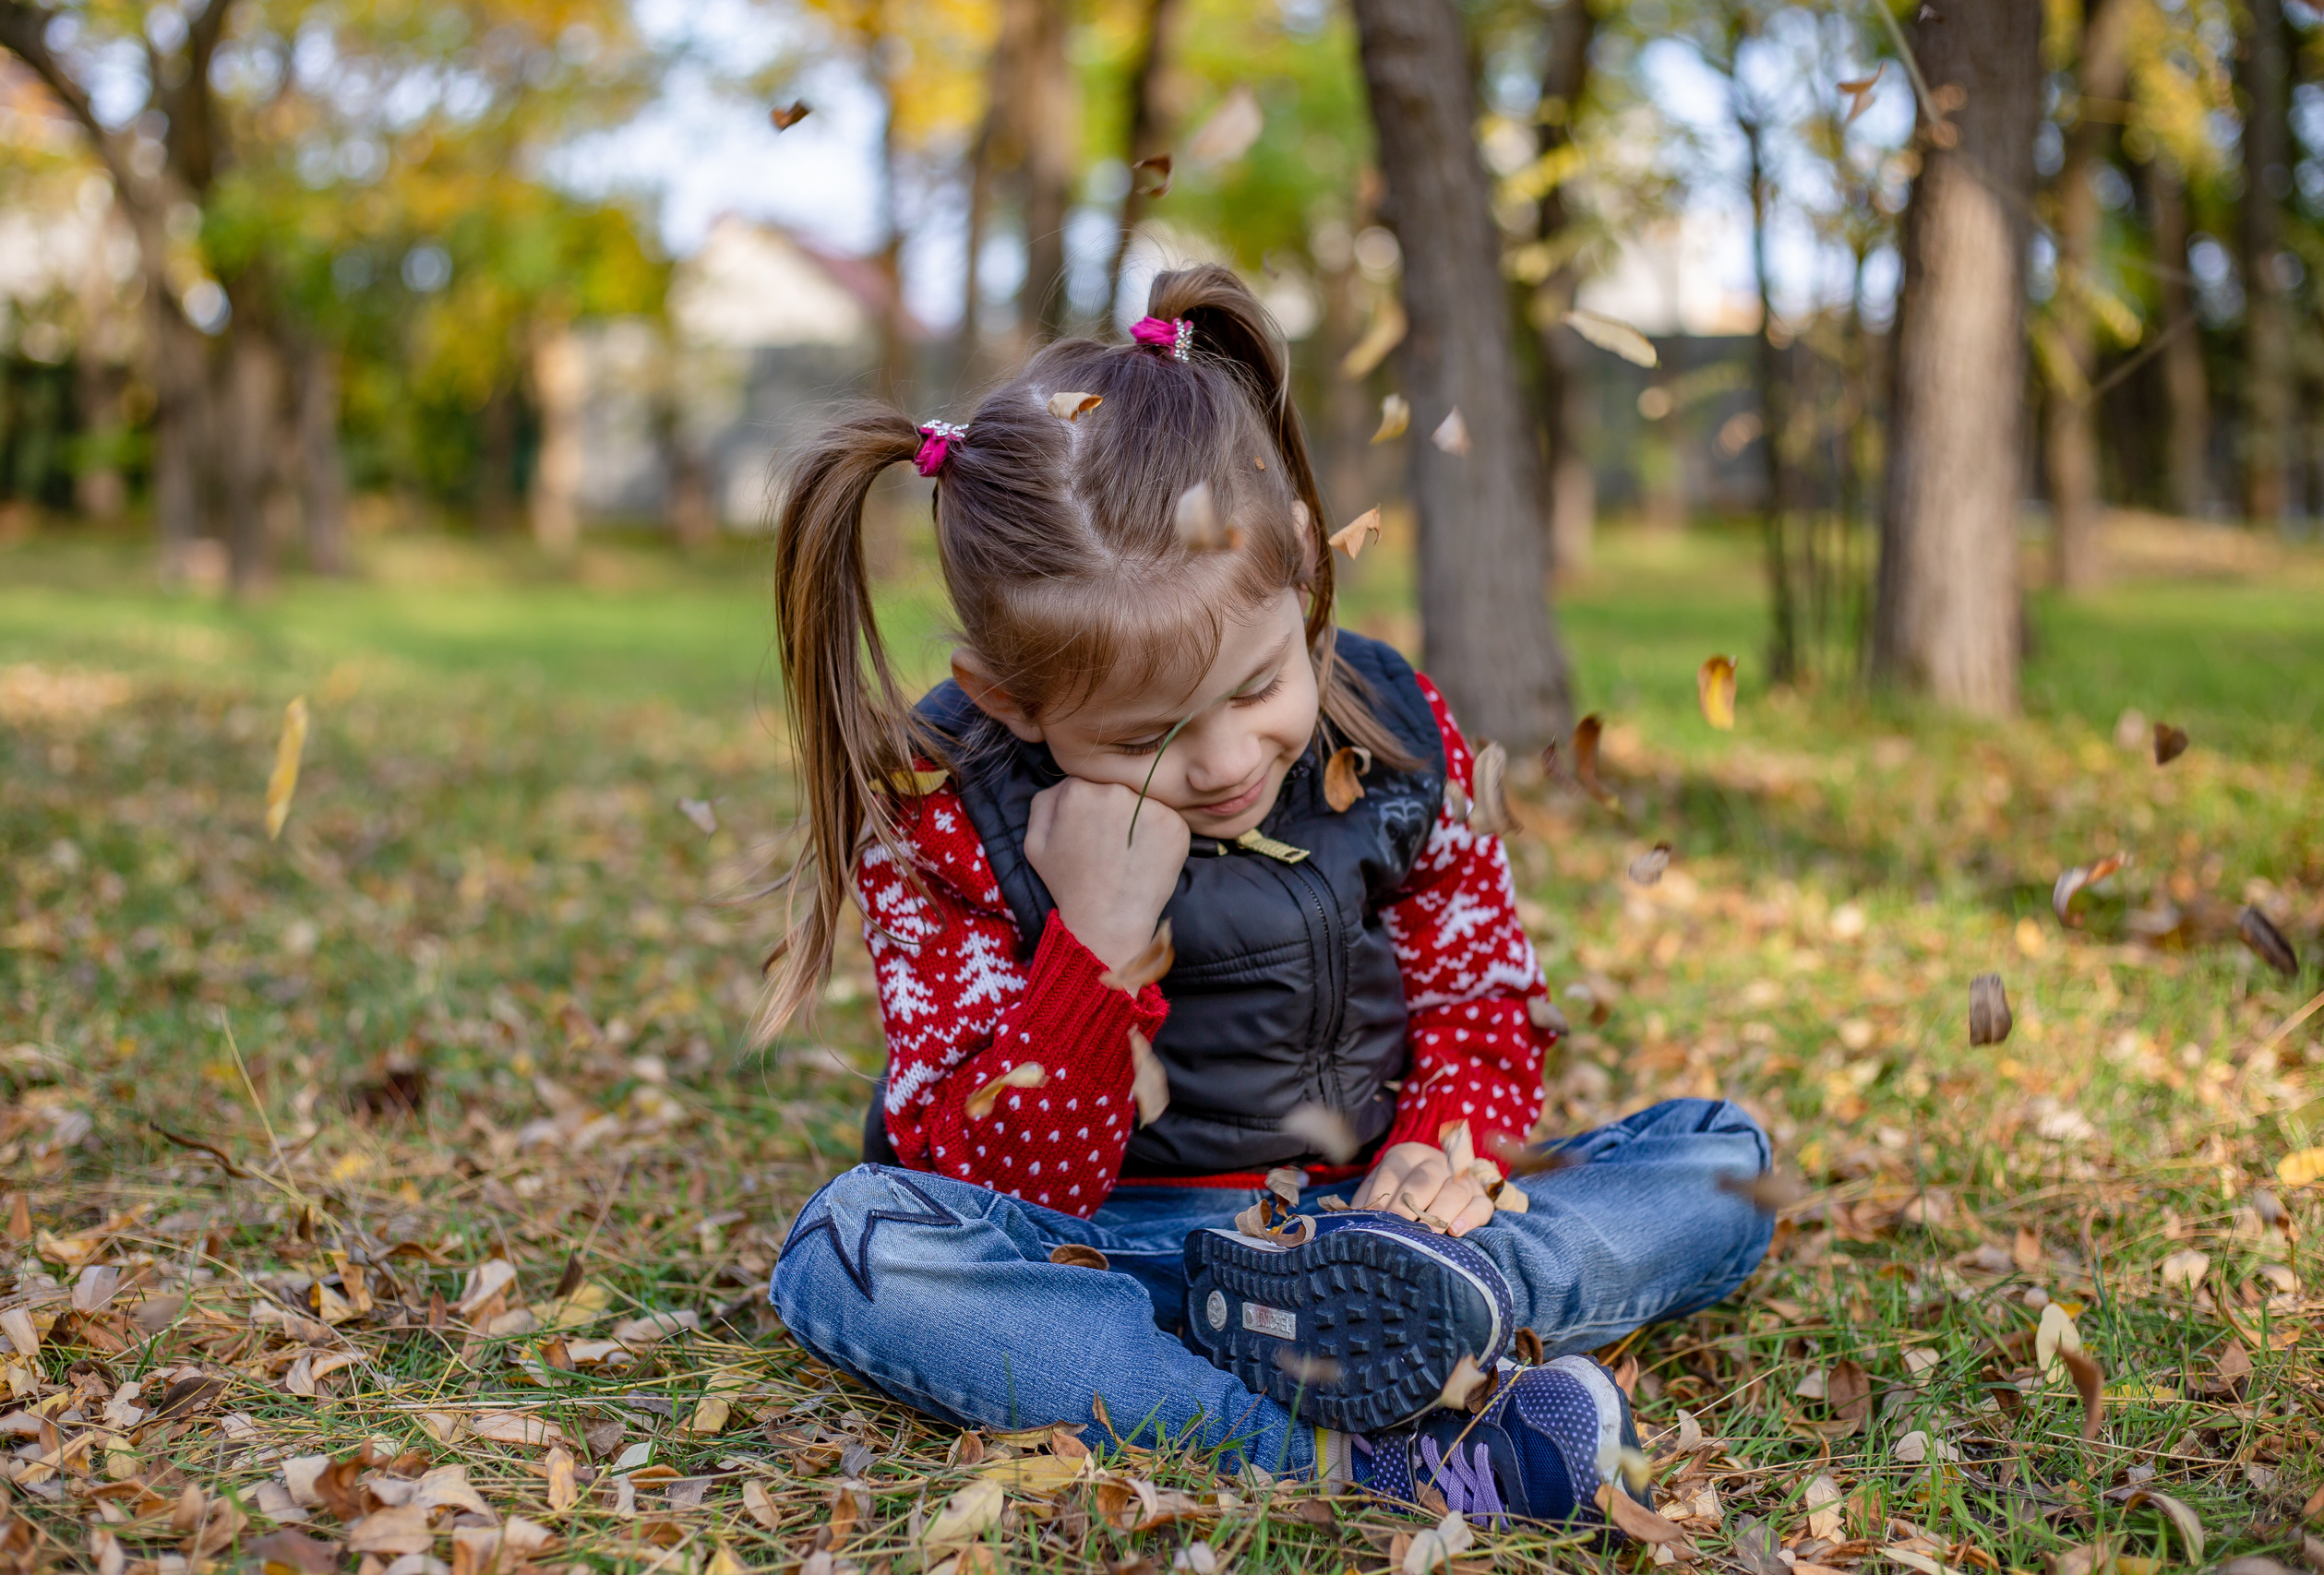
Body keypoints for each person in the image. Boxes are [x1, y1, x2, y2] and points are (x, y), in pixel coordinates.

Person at [761, 265, 1775, 1524]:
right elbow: (1007, 1185)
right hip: (1110, 1257)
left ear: (1302, 564)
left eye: (1255, 689)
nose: (1228, 761)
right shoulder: (939, 804)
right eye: (1145, 738)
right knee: (852, 1251)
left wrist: (1440, 1148)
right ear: (1017, 701)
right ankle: (1367, 1451)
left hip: (1374, 1233)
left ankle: (1436, 1315)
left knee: (1723, 1160)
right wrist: (1097, 939)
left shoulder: (1398, 728)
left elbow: (1484, 994)